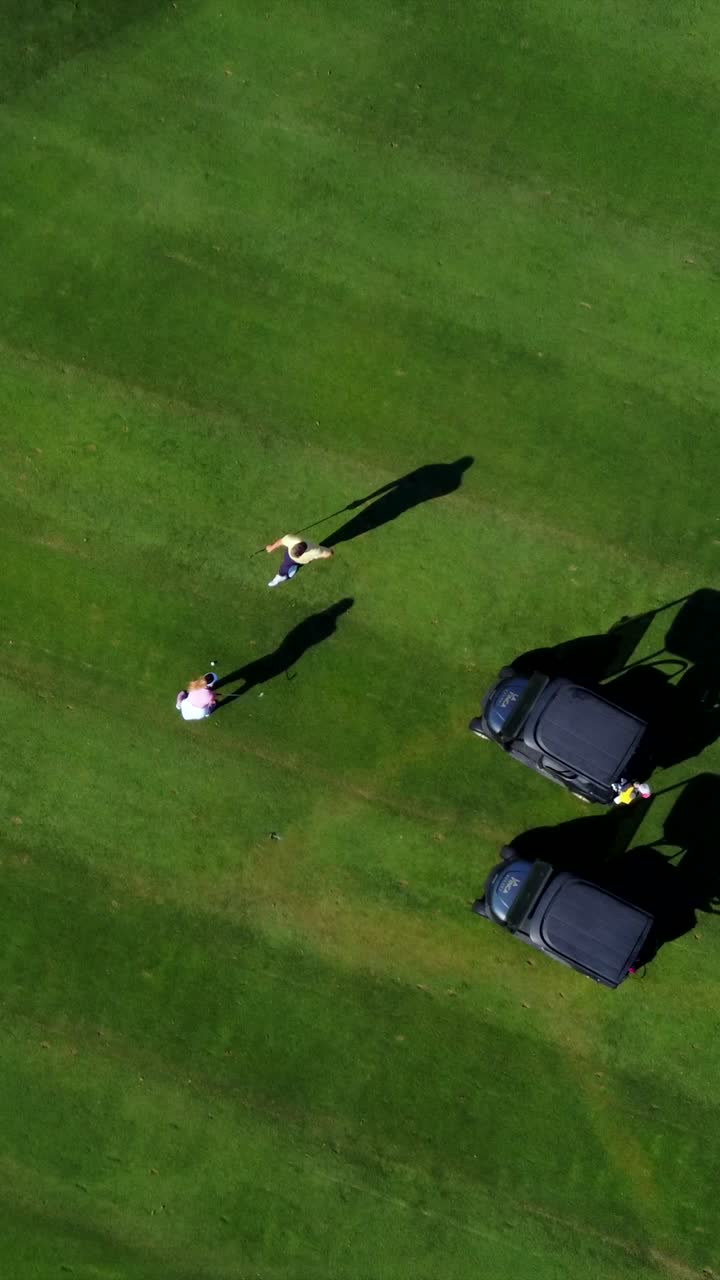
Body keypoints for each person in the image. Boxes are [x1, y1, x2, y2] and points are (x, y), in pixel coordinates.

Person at [265, 533, 334, 587]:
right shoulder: (316, 550)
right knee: (296, 565)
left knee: (285, 566)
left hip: (289, 557)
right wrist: (331, 551)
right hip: (303, 561)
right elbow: (328, 554)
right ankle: (290, 571)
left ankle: (281, 576)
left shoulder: (291, 540)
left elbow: (281, 541)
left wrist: (271, 548)